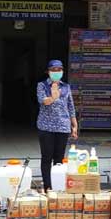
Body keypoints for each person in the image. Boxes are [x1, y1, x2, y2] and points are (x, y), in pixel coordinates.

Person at [37, 60, 78, 191]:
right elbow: (43, 101)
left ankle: (58, 185)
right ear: (48, 71)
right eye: (53, 69)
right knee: (46, 157)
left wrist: (74, 125)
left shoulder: (66, 86)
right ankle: (47, 186)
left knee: (59, 159)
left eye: (59, 69)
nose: (56, 72)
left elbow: (70, 106)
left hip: (63, 126)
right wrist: (53, 97)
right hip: (46, 127)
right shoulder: (42, 85)